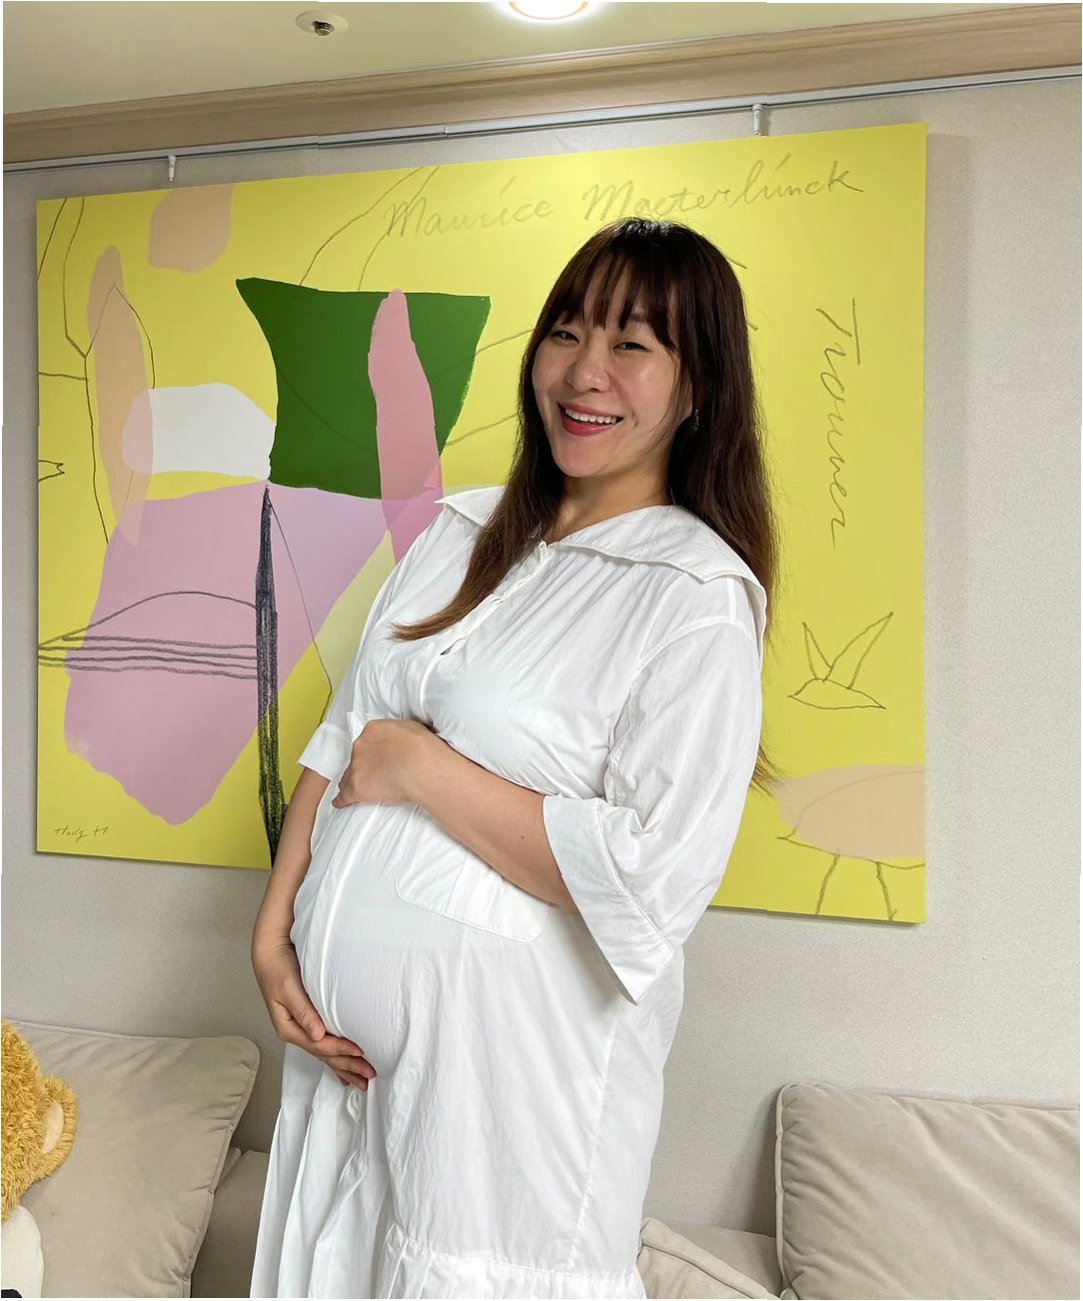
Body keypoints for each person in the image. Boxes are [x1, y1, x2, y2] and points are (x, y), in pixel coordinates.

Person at [250, 216, 779, 1299]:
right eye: (566, 332)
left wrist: (421, 767)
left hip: (508, 1093)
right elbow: (343, 735)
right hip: (344, 1071)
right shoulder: (457, 532)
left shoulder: (695, 598)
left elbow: (648, 875)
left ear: (698, 387)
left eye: (632, 344)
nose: (584, 372)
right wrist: (272, 934)